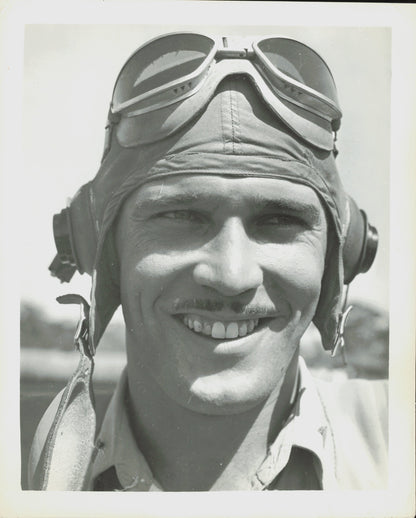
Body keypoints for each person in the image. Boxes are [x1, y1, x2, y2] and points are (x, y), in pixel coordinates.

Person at [27, 33, 387, 491]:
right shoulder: (25, 471)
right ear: (102, 249)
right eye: (179, 215)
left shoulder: (398, 445)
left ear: (341, 256)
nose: (232, 275)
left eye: (279, 219)